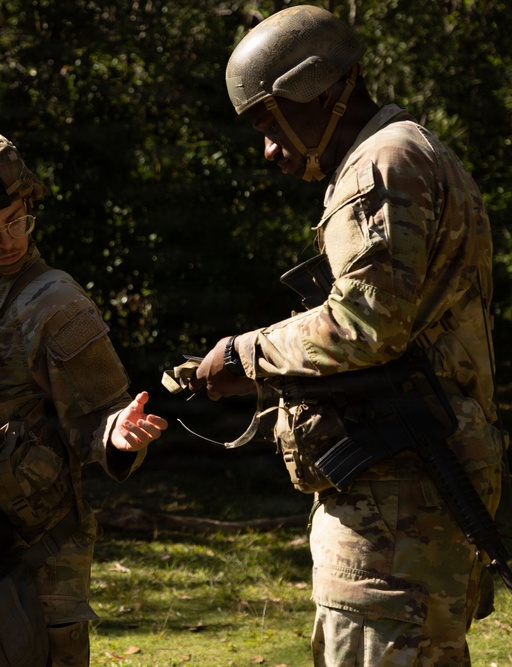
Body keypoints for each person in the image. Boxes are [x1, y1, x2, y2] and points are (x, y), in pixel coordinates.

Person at [190, 6, 506, 666]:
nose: (269, 149)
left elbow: (367, 324)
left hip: (397, 514)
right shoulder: (415, 151)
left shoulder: (379, 168)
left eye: (270, 121)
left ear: (320, 91)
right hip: (414, 503)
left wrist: (243, 354)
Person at [0, 128, 168, 667]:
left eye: (17, 221)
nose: (8, 240)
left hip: (46, 563)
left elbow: (101, 415)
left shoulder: (57, 302)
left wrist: (118, 432)